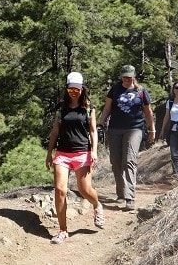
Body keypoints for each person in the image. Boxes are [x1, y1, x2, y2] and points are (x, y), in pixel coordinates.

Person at [45, 71, 104, 244]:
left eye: (77, 89)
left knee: (85, 190)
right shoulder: (61, 109)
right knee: (60, 190)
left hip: (82, 152)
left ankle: (97, 205)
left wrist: (94, 151)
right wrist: (49, 153)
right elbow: (55, 131)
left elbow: (93, 131)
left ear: (82, 89)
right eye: (71, 89)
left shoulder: (88, 108)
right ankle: (63, 230)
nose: (74, 92)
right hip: (62, 153)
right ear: (67, 89)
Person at [98, 64, 155, 211]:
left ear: (134, 76)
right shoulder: (115, 90)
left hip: (135, 128)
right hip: (115, 128)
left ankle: (130, 197)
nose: (127, 79)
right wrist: (100, 122)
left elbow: (148, 112)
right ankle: (121, 192)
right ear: (121, 76)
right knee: (116, 162)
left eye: (129, 76)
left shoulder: (141, 91)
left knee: (129, 160)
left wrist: (152, 129)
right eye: (124, 76)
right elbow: (107, 108)